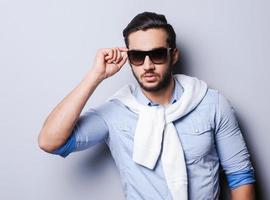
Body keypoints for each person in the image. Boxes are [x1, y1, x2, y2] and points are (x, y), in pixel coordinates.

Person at [38, 11, 255, 200]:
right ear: (129, 58)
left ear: (174, 55)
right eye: (137, 56)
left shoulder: (212, 103)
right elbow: (50, 142)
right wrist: (95, 75)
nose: (148, 65)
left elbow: (240, 176)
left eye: (158, 54)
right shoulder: (116, 112)